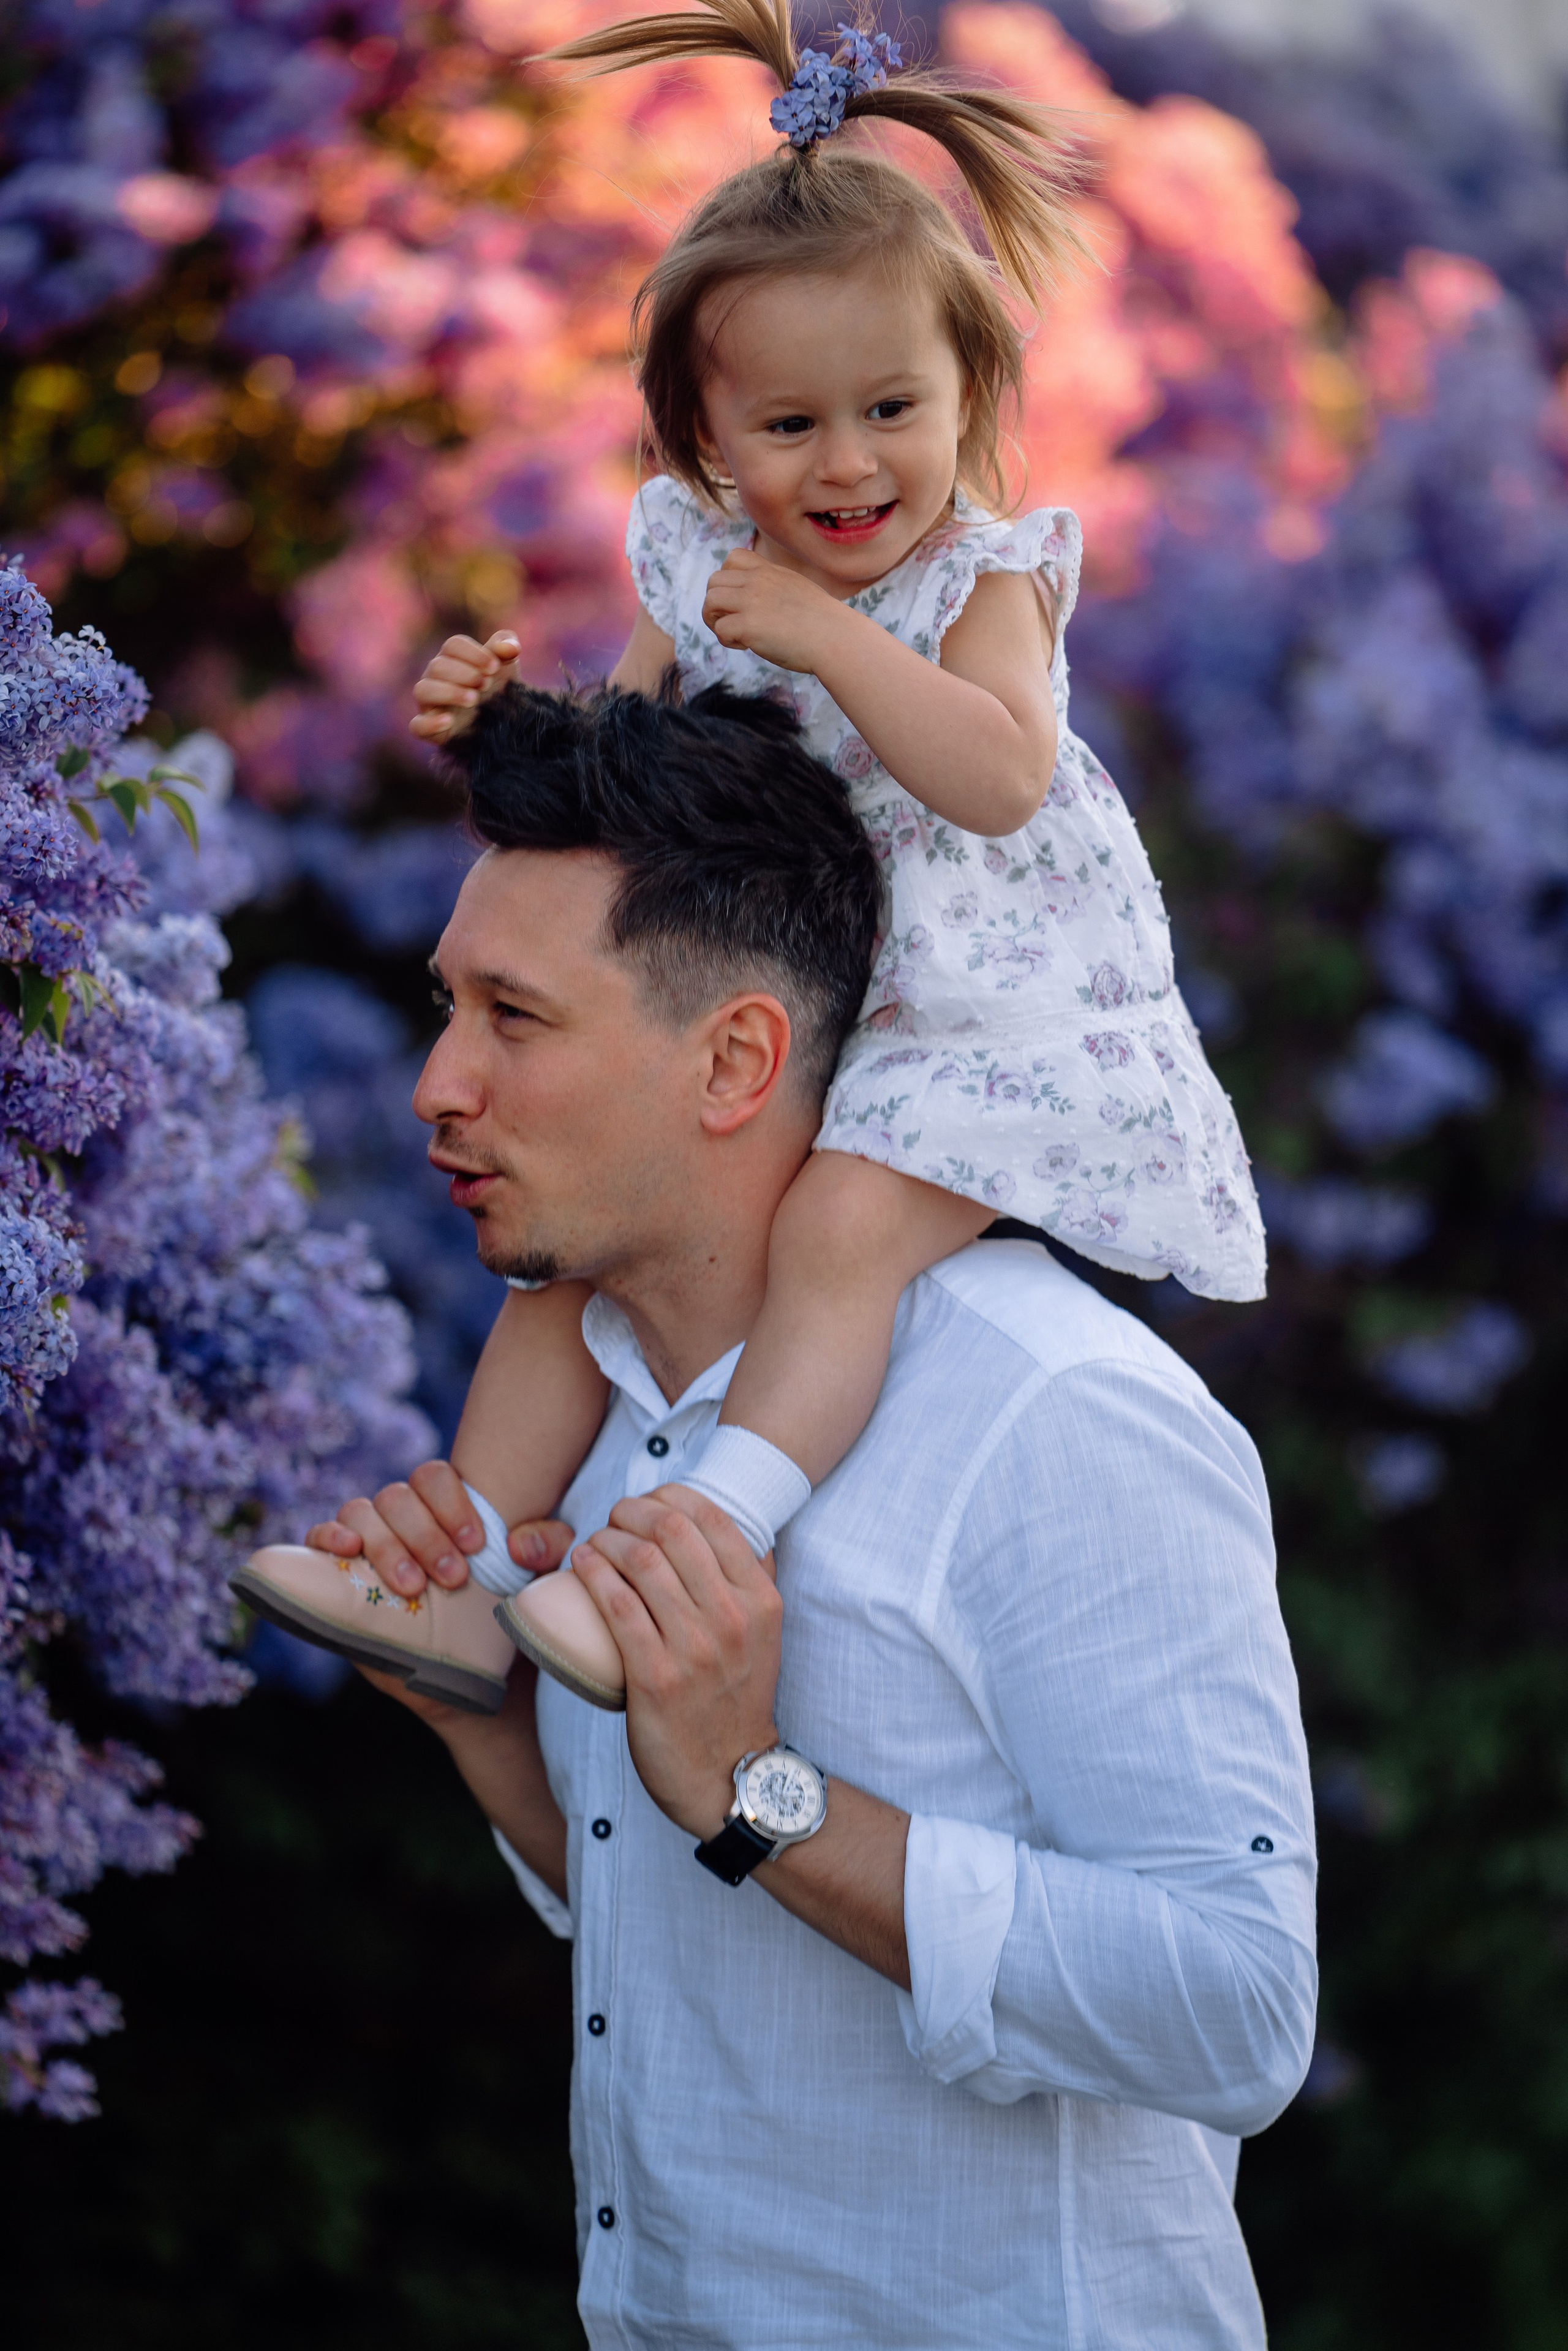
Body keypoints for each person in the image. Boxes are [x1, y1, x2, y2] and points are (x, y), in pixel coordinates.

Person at [240, 0, 1267, 1707]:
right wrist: (496, 724)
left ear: (970, 396)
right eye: (790, 428)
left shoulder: (983, 579)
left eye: (892, 409)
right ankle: (480, 1568)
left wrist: (829, 637)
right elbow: (617, 797)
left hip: (978, 1028)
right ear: (709, 442)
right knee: (584, 1245)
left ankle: (699, 1534)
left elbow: (1002, 777)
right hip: (792, 1010)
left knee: (844, 1239)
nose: (850, 462)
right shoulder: (697, 566)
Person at [285, 677, 1315, 2346]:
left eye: (512, 1017)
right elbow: (680, 1905)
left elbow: (1240, 2011)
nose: (435, 1083)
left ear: (738, 1060)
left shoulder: (1058, 1415)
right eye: (443, 1007)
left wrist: (764, 1794)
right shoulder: (605, 1424)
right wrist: (487, 1724)